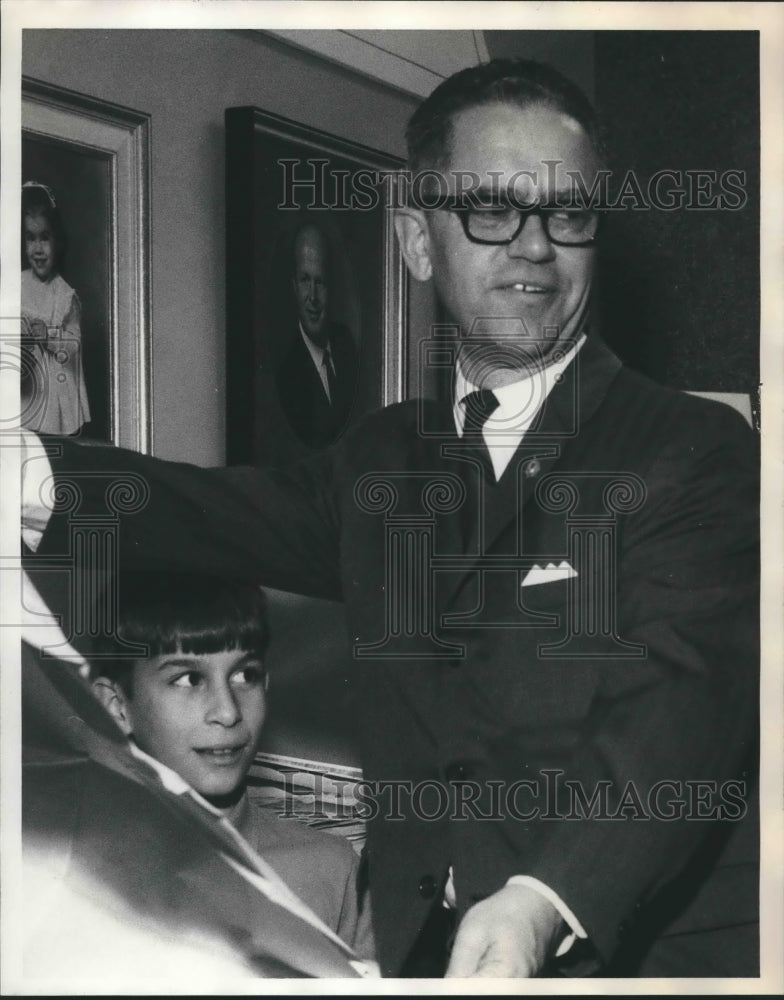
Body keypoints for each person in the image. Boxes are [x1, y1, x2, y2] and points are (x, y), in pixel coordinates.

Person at [21, 59, 758, 978]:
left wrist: (543, 902)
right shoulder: (378, 461)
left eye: (566, 211)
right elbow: (198, 510)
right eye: (490, 207)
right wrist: (25, 470)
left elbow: (682, 709)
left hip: (622, 958)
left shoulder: (695, 450)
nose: (535, 246)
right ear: (417, 241)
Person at [20, 572, 372, 981]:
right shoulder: (60, 866)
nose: (228, 712)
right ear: (116, 706)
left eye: (246, 675)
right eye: (188, 679)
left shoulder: (330, 870)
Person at [275, 222, 358, 449]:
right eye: (305, 280)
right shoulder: (286, 373)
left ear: (331, 286)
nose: (312, 297)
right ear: (293, 287)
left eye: (319, 282)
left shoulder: (347, 345)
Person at [20, 181, 91, 435]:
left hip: (54, 394)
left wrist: (49, 335)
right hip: (24, 386)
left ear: (57, 242)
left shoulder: (64, 295)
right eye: (31, 238)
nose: (38, 249)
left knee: (50, 448)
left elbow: (73, 346)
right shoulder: (17, 284)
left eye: (45, 238)